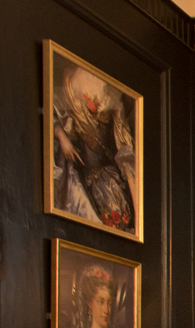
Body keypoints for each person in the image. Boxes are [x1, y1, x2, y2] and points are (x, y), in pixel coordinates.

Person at [51, 62, 137, 234]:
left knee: (117, 209)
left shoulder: (114, 100)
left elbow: (126, 153)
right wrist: (62, 137)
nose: (96, 109)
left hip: (109, 175)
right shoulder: (68, 88)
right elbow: (49, 112)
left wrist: (138, 214)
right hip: (79, 171)